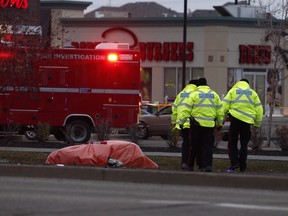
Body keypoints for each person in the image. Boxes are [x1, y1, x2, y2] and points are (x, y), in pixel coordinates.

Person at [179, 77, 224, 172]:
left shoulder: (194, 95)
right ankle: (206, 165)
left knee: (194, 146)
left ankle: (190, 166)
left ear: (198, 85)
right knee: (207, 146)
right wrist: (219, 123)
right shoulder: (214, 95)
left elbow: (186, 110)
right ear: (206, 85)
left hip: (196, 125)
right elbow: (220, 111)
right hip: (209, 125)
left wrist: (181, 122)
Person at [222, 78, 263, 172]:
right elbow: (259, 109)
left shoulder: (233, 91)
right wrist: (257, 123)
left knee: (232, 142)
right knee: (244, 144)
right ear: (247, 84)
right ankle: (242, 165)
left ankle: (234, 163)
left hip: (235, 120)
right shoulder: (252, 93)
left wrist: (222, 119)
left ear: (238, 83)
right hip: (247, 122)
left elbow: (224, 105)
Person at [171, 79, 198, 170]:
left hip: (182, 123)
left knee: (185, 143)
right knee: (194, 145)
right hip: (192, 123)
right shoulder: (196, 93)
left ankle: (184, 162)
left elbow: (174, 109)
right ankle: (191, 164)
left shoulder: (181, 94)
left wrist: (174, 123)